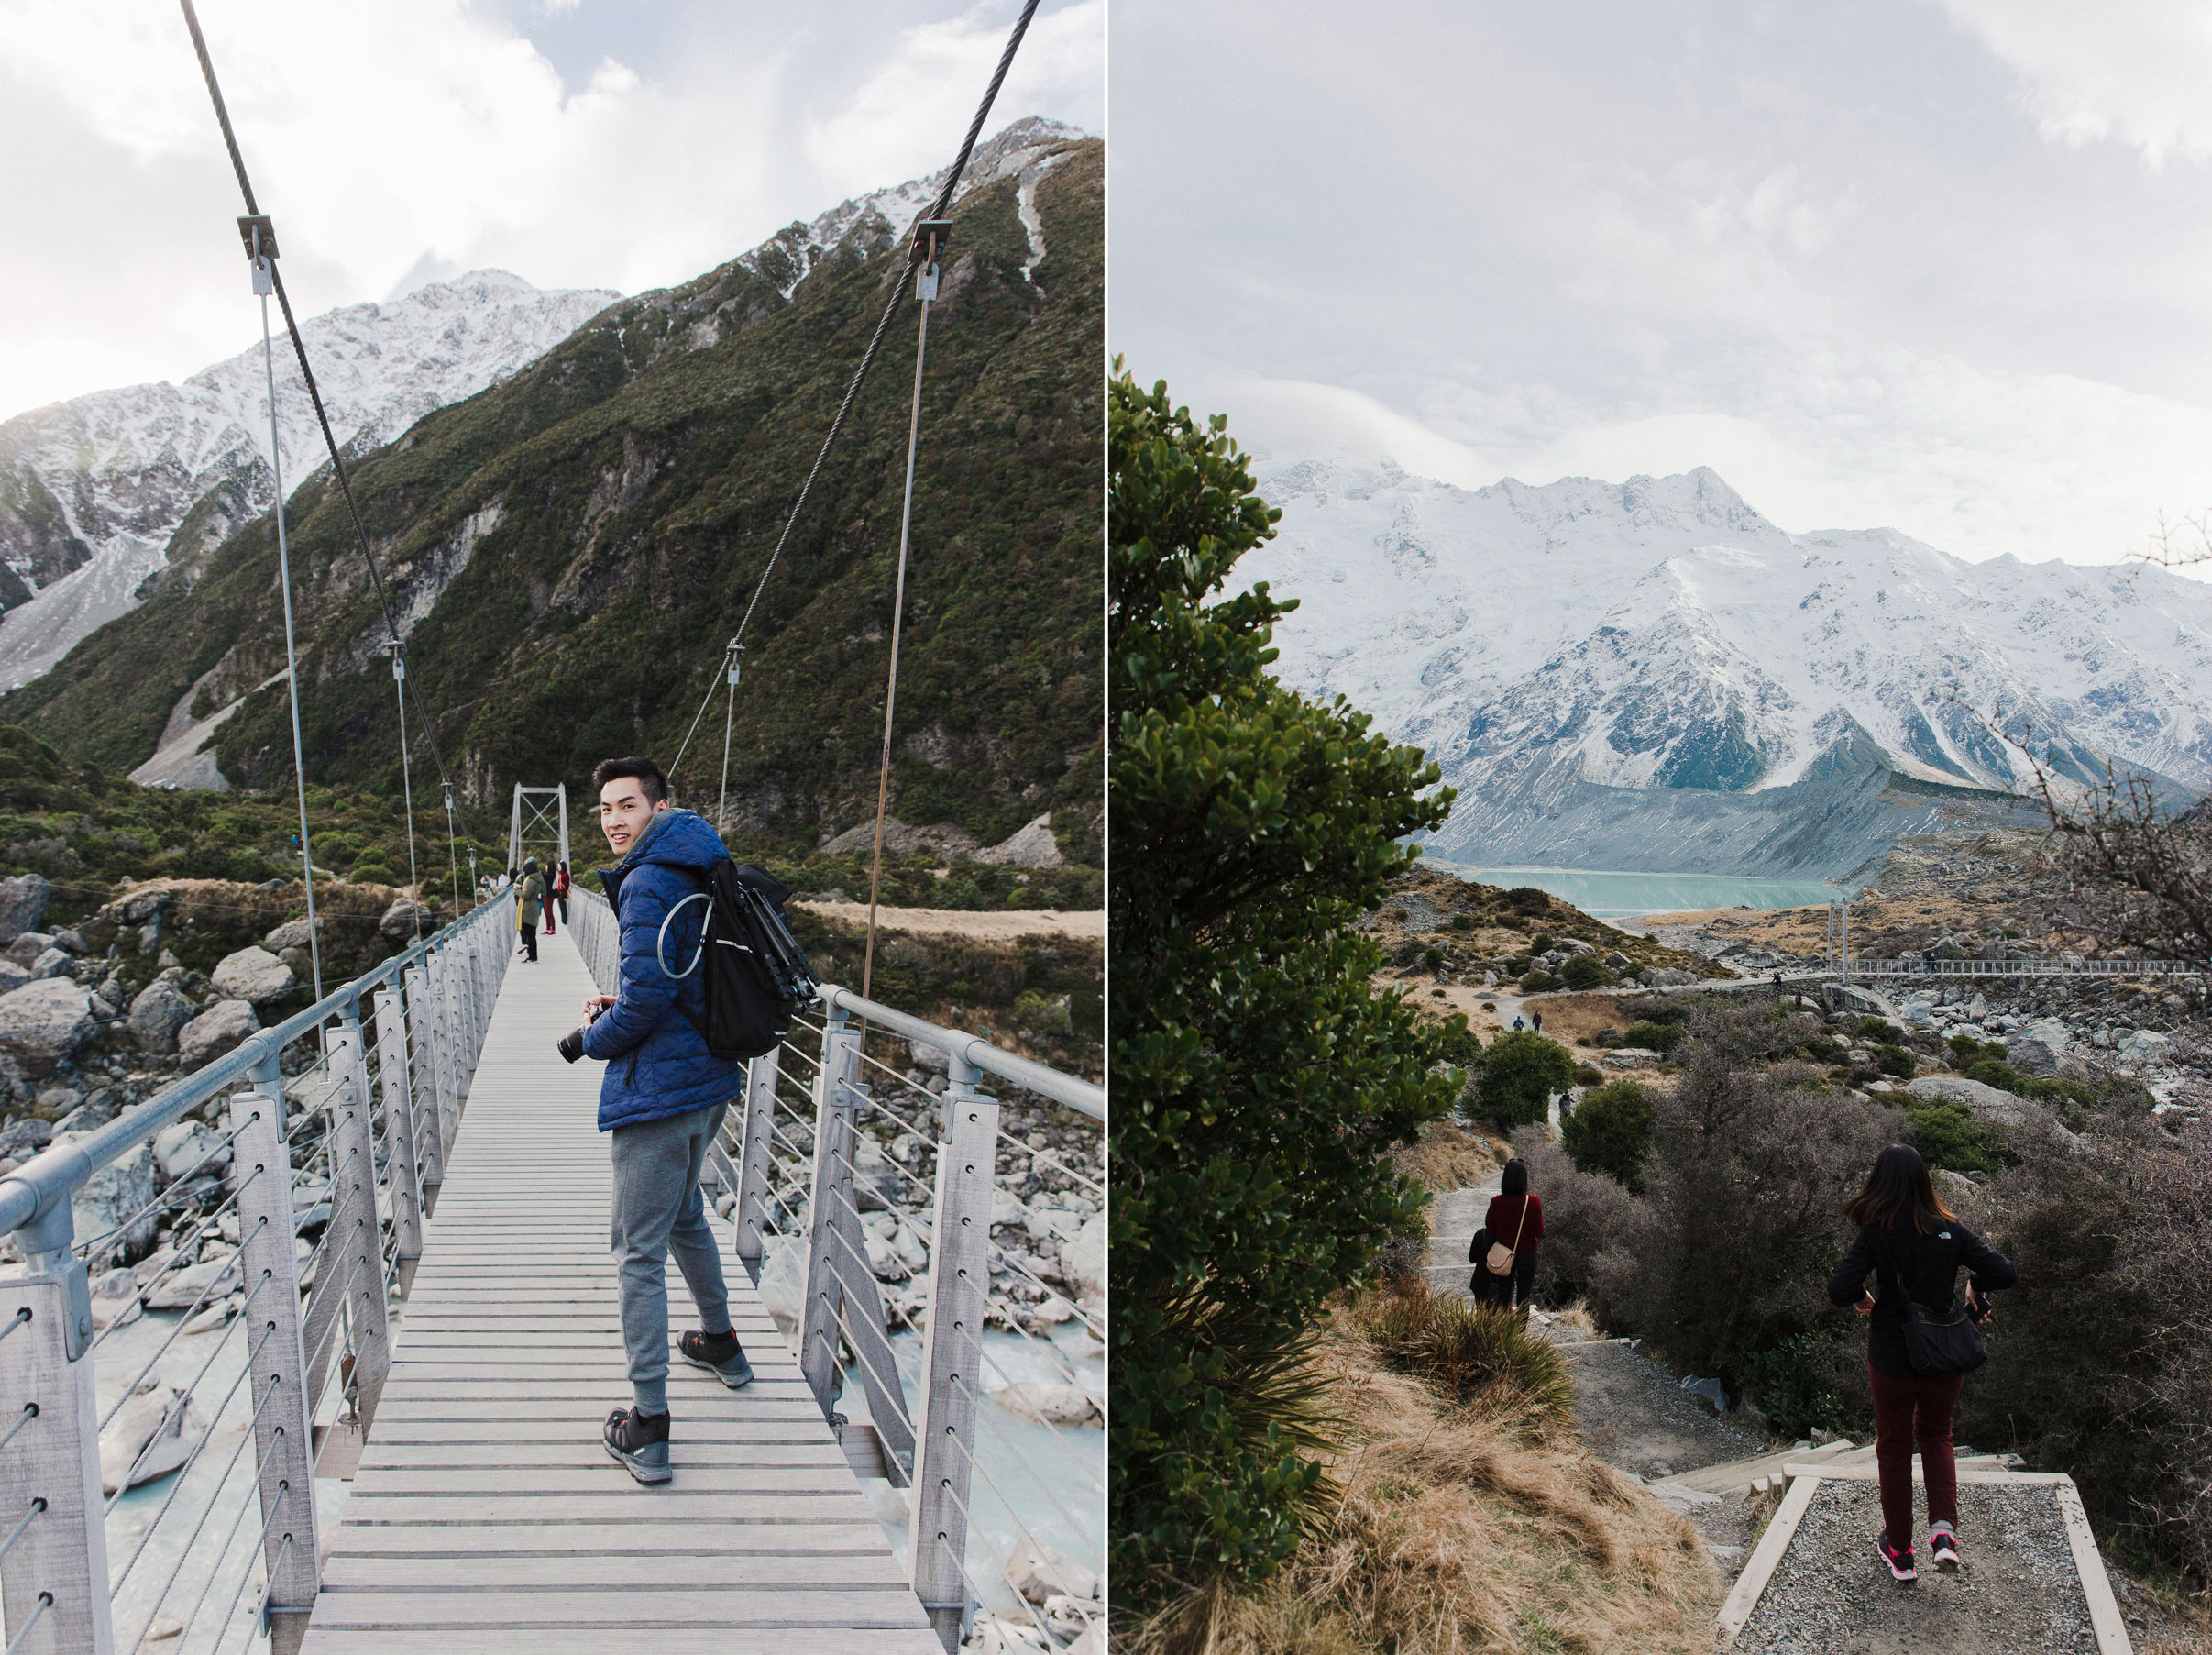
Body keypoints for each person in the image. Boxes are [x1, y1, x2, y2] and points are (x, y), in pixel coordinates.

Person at [556, 756, 754, 1484]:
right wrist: (629, 1008)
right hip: (709, 1077)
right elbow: (676, 983)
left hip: (662, 1093)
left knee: (636, 1251)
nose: (613, 820)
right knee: (684, 1217)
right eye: (605, 808)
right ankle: (723, 1346)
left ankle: (649, 1427)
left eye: (627, 805)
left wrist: (585, 1042)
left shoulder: (645, 880)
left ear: (659, 805)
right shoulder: (699, 859)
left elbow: (642, 1005)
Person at [1827, 1144, 2016, 1583]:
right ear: (1923, 1182)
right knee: (1937, 1435)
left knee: (1893, 1447)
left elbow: (1840, 1287)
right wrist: (1975, 1285)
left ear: (1880, 1182)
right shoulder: (1949, 1229)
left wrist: (1862, 1298)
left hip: (1892, 1356)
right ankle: (1945, 1537)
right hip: (1944, 1357)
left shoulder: (1876, 1233)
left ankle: (1900, 1552)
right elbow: (2005, 1272)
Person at [1473, 1158, 1542, 1315]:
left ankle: (1503, 1329)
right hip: (1527, 1255)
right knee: (1524, 1296)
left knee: (1504, 1294)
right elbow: (1539, 1230)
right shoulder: (1532, 1202)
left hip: (1503, 1254)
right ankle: (1521, 1331)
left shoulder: (1496, 1202)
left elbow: (1491, 1229)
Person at [514, 858, 545, 962]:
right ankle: (532, 956)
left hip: (528, 909)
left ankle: (532, 957)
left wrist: (517, 890)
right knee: (532, 934)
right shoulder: (538, 879)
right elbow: (543, 893)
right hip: (534, 907)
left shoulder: (530, 881)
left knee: (530, 934)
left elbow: (525, 895)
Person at [551, 858, 571, 930]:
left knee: (563, 908)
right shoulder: (561, 874)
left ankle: (564, 922)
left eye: (559, 866)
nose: (558, 867)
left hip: (563, 893)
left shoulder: (565, 875)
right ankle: (563, 922)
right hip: (560, 893)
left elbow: (566, 886)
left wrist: (565, 897)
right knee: (562, 908)